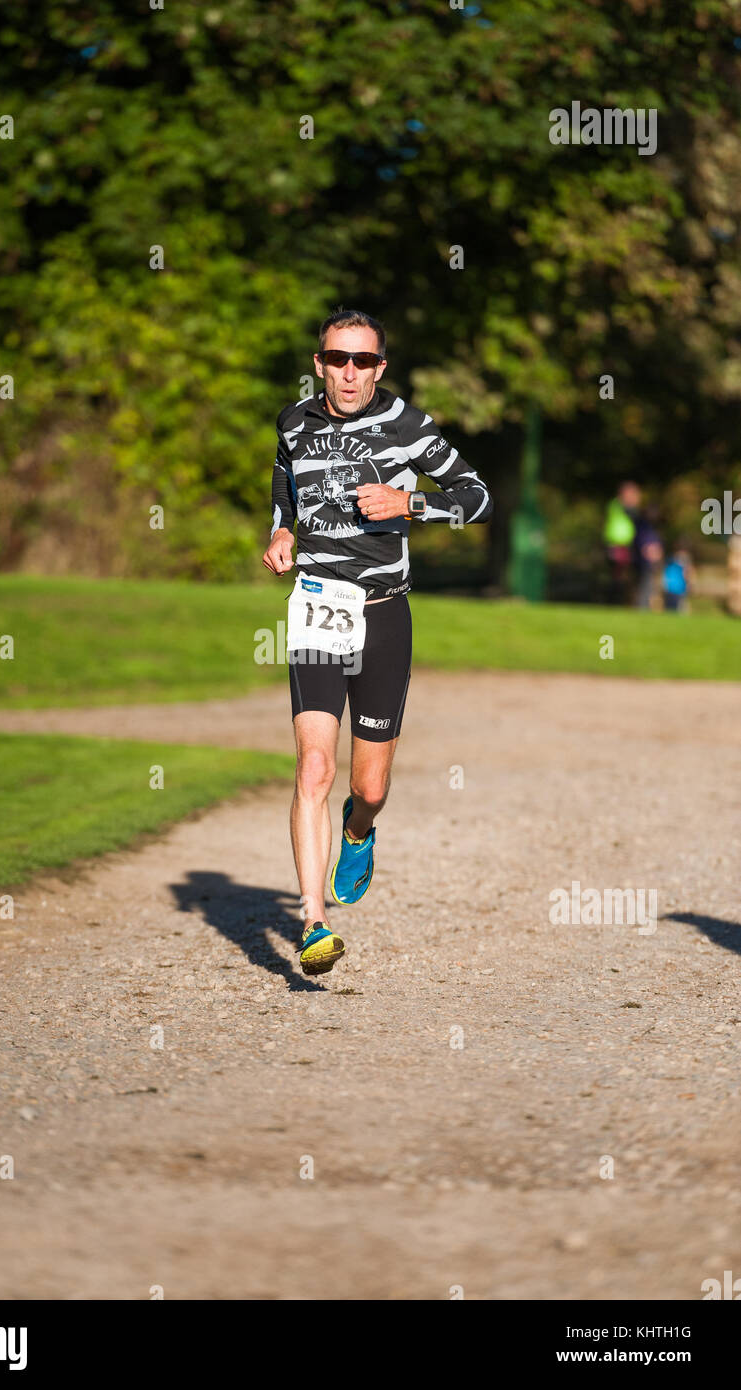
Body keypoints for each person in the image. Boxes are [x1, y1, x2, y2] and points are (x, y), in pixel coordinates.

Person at [262, 308, 493, 976]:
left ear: (380, 367)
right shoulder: (293, 421)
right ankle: (312, 921)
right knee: (313, 765)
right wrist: (281, 532)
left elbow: (477, 496)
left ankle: (358, 830)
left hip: (384, 614)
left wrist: (411, 506)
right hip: (317, 607)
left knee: (369, 784)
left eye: (363, 361)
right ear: (319, 364)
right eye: (338, 359)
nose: (349, 373)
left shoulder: (408, 427)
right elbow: (285, 479)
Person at [602, 481, 640, 604]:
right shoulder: (619, 506)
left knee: (620, 575)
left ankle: (618, 601)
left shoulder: (616, 505)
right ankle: (614, 601)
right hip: (616, 544)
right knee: (618, 575)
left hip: (624, 545)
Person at [632, 504, 664, 610]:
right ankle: (642, 608)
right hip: (644, 562)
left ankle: (645, 608)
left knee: (649, 588)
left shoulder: (651, 527)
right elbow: (646, 547)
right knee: (645, 587)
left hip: (651, 563)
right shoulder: (643, 527)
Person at [663, 544, 694, 613]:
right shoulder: (671, 560)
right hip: (673, 588)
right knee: (672, 609)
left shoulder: (671, 560)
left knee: (676, 609)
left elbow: (688, 573)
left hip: (677, 588)